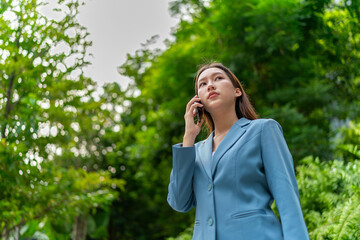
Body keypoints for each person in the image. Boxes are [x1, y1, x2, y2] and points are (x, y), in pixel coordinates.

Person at [167, 63, 309, 240]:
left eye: (218, 78)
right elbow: (179, 202)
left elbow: (287, 200)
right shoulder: (194, 152)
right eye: (202, 84)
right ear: (198, 101)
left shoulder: (263, 130)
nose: (210, 85)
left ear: (237, 91)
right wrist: (188, 137)